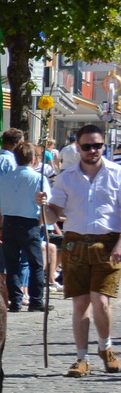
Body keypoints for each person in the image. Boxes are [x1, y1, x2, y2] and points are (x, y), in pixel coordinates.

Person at [48, 123, 121, 376]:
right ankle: (82, 358)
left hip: (109, 244)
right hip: (75, 243)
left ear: (104, 146)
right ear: (77, 147)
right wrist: (42, 206)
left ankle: (106, 347)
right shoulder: (66, 177)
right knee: (80, 304)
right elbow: (51, 216)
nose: (93, 150)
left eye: (97, 146)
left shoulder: (117, 174)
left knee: (101, 302)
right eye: (87, 146)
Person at [0, 128, 52, 312]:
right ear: (33, 159)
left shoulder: (6, 178)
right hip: (29, 223)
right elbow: (46, 205)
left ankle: (15, 300)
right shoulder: (38, 178)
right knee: (36, 264)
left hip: (9, 222)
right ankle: (36, 300)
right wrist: (41, 224)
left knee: (11, 264)